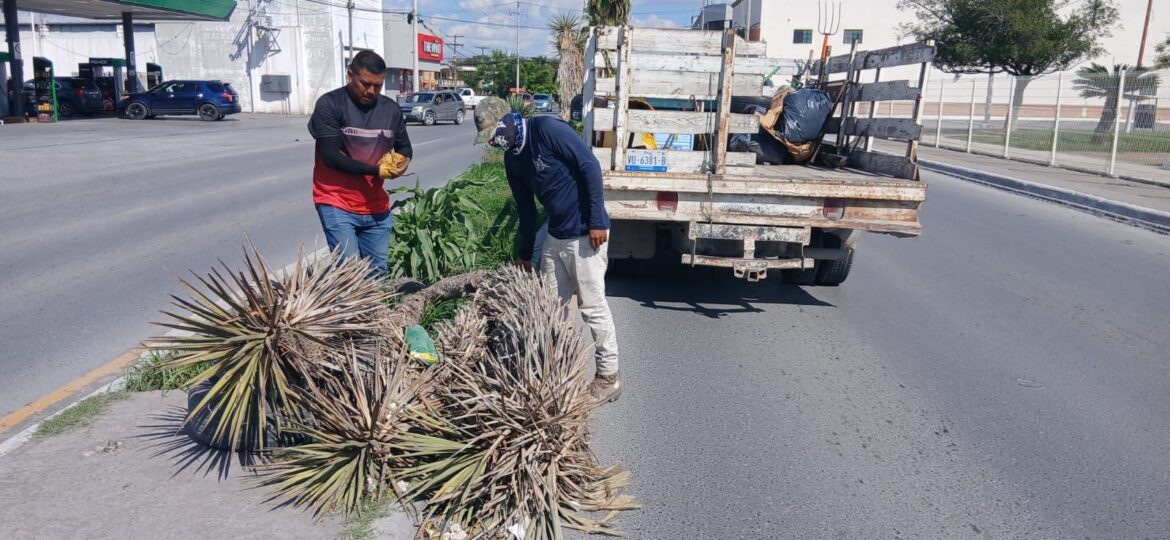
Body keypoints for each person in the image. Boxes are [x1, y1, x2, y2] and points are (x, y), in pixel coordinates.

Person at [472, 97, 622, 403]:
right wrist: (525, 254)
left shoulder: (547, 129)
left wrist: (596, 220)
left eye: (494, 132)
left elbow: (589, 167)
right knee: (549, 308)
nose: (493, 141)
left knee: (592, 307)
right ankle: (555, 371)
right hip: (555, 236)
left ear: (509, 121)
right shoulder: (513, 159)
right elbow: (526, 210)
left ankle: (609, 376)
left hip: (585, 234)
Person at [308, 51, 412, 277]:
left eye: (378, 85)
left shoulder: (390, 110)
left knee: (378, 274)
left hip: (376, 206)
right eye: (365, 83)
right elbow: (331, 157)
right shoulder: (330, 104)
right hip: (336, 201)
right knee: (351, 273)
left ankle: (376, 314)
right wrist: (377, 170)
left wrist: (401, 162)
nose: (371, 91)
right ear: (349, 75)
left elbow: (405, 148)